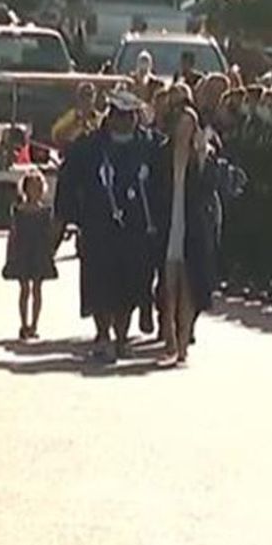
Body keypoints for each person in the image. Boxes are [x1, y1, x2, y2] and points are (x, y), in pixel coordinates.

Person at [68, 90, 161, 362]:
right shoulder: (89, 146)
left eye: (130, 116)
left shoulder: (149, 146)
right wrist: (70, 219)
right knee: (100, 285)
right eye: (119, 116)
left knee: (130, 286)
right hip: (99, 228)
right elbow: (71, 183)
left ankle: (122, 337)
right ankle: (102, 335)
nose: (124, 122)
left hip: (136, 231)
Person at [152, 103, 218, 365]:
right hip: (168, 222)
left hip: (192, 224)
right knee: (168, 285)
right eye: (182, 124)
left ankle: (183, 342)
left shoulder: (202, 153)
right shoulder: (162, 153)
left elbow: (207, 190)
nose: (185, 129)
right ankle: (168, 336)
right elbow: (155, 188)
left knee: (188, 286)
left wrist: (202, 158)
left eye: (191, 125)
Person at [2, 171, 58, 340]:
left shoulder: (46, 212)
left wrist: (51, 251)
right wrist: (10, 255)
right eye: (32, 187)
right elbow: (13, 233)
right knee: (24, 289)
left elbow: (50, 234)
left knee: (37, 289)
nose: (35, 191)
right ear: (25, 189)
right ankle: (23, 323)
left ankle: (34, 324)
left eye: (38, 187)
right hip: (23, 252)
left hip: (39, 252)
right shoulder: (18, 211)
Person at [51, 82, 100, 149]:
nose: (88, 99)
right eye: (85, 94)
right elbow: (57, 136)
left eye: (91, 94)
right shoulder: (69, 117)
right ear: (78, 96)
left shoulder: (98, 117)